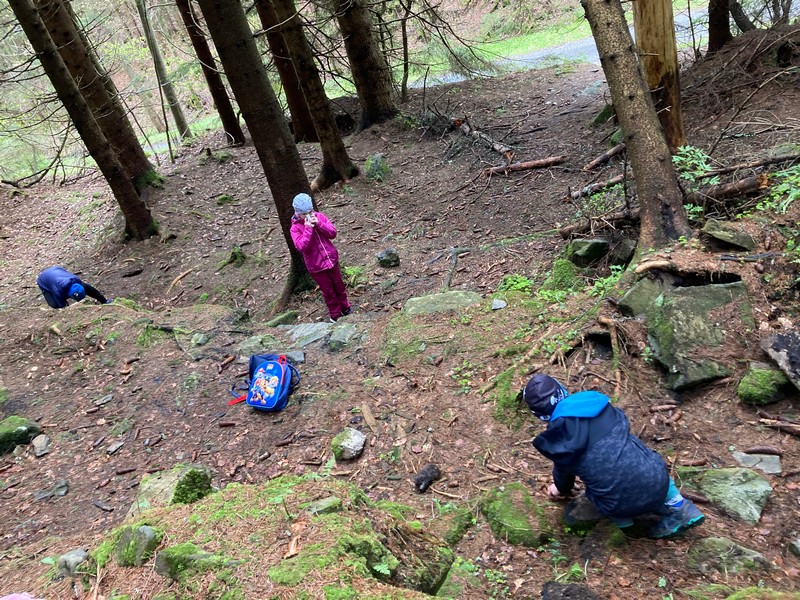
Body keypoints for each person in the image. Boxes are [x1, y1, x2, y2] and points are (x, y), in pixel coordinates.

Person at [523, 374, 705, 539]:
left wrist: (559, 488)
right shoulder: (596, 404)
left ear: (540, 416)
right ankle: (678, 504)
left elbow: (564, 476)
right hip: (658, 480)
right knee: (642, 455)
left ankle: (627, 528)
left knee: (595, 493)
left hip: (620, 504)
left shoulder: (558, 441)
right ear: (563, 390)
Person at [289, 193, 351, 322]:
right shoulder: (295, 228)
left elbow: (332, 233)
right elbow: (301, 246)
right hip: (316, 266)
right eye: (305, 214)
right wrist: (308, 229)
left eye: (310, 212)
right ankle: (335, 315)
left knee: (339, 285)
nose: (308, 216)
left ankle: (346, 308)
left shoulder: (319, 216)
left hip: (331, 259)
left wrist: (319, 224)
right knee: (328, 291)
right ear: (298, 213)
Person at [37, 266, 109, 309]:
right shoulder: (58, 292)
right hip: (43, 280)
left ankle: (104, 301)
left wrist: (103, 300)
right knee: (55, 305)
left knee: (87, 288)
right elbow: (63, 307)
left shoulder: (76, 280)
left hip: (57, 269)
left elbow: (90, 289)